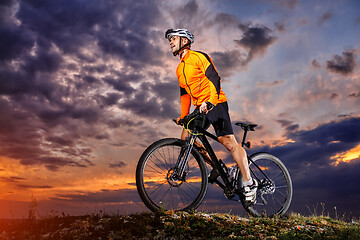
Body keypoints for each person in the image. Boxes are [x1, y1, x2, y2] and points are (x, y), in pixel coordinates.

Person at [165, 29, 258, 205]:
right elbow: (184, 93)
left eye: (174, 38)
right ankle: (219, 168)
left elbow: (215, 78)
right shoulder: (179, 69)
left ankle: (249, 182)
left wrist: (211, 102)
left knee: (228, 142)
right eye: (170, 39)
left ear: (184, 41)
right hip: (200, 108)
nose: (170, 42)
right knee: (186, 138)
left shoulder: (198, 57)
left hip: (216, 102)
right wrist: (184, 115)